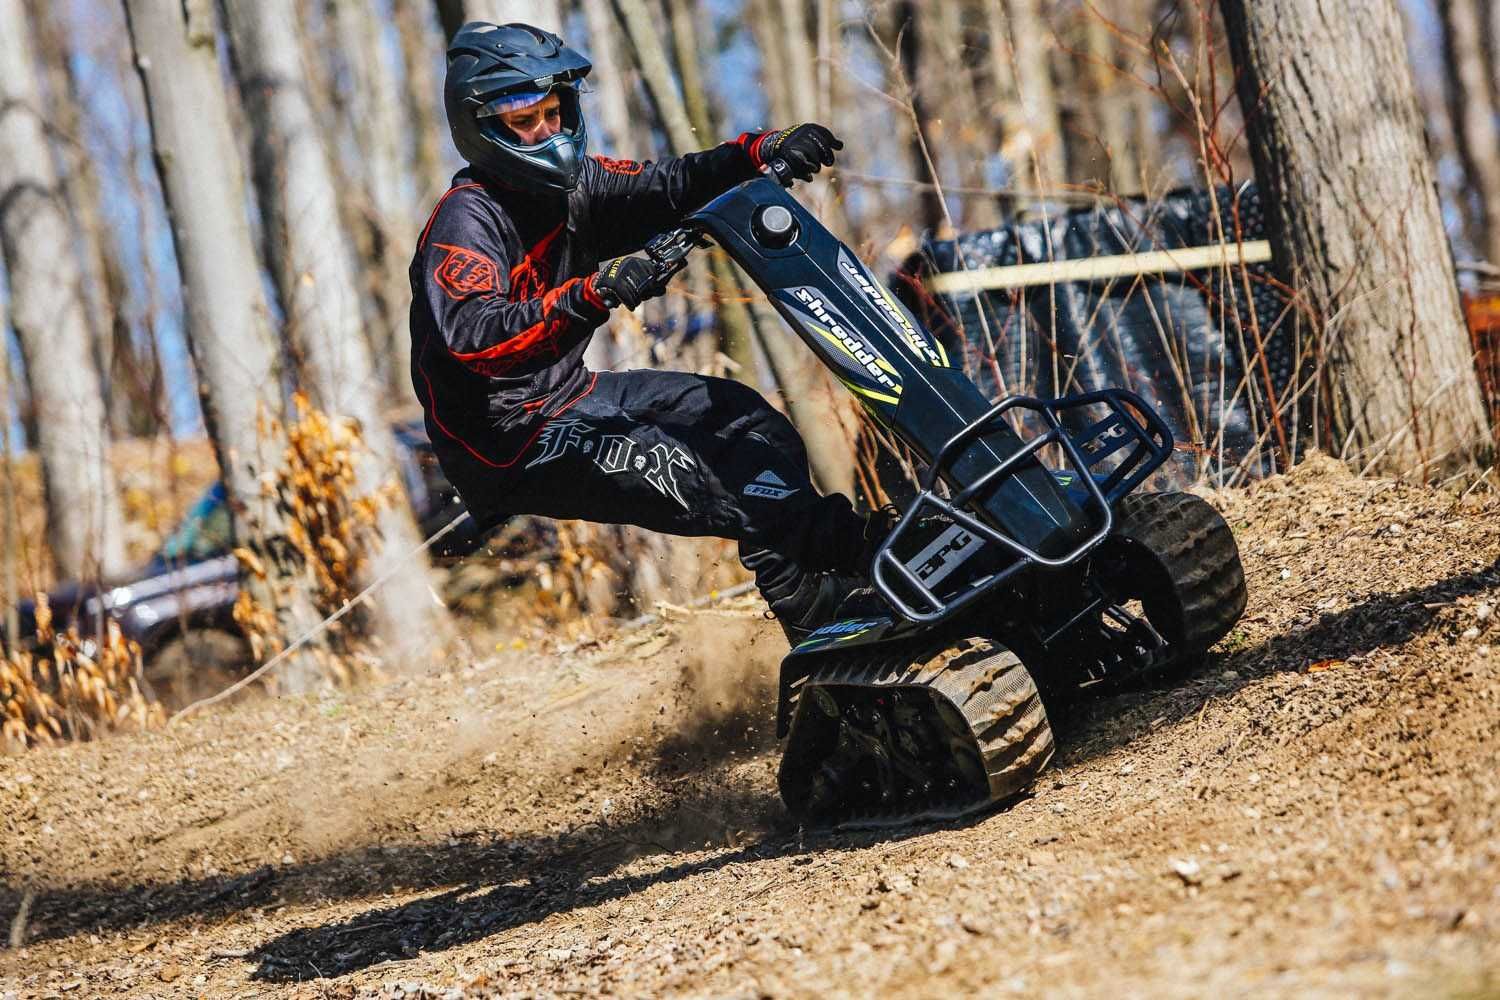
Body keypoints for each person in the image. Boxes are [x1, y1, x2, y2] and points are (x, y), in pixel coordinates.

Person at [412, 21, 886, 643]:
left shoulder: (579, 187)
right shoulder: (466, 221)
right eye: (524, 120)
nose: (546, 131)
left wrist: (760, 152)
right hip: (510, 443)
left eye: (555, 112)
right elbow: (475, 340)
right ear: (482, 127)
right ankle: (835, 619)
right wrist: (593, 290)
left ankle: (853, 568)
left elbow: (668, 185)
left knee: (744, 420)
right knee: (709, 474)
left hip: (570, 396)